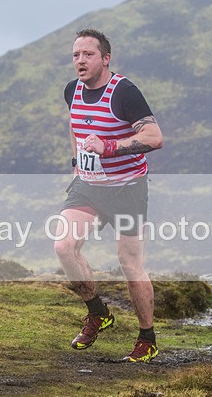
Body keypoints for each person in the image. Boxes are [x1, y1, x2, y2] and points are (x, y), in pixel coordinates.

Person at [54, 28, 163, 362]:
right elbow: (76, 126)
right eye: (76, 55)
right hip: (89, 186)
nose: (80, 61)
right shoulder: (72, 90)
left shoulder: (124, 92)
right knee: (64, 246)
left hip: (127, 189)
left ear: (105, 59)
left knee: (129, 264)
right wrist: (77, 166)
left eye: (88, 54)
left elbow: (154, 137)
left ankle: (147, 338)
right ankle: (98, 312)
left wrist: (110, 147)